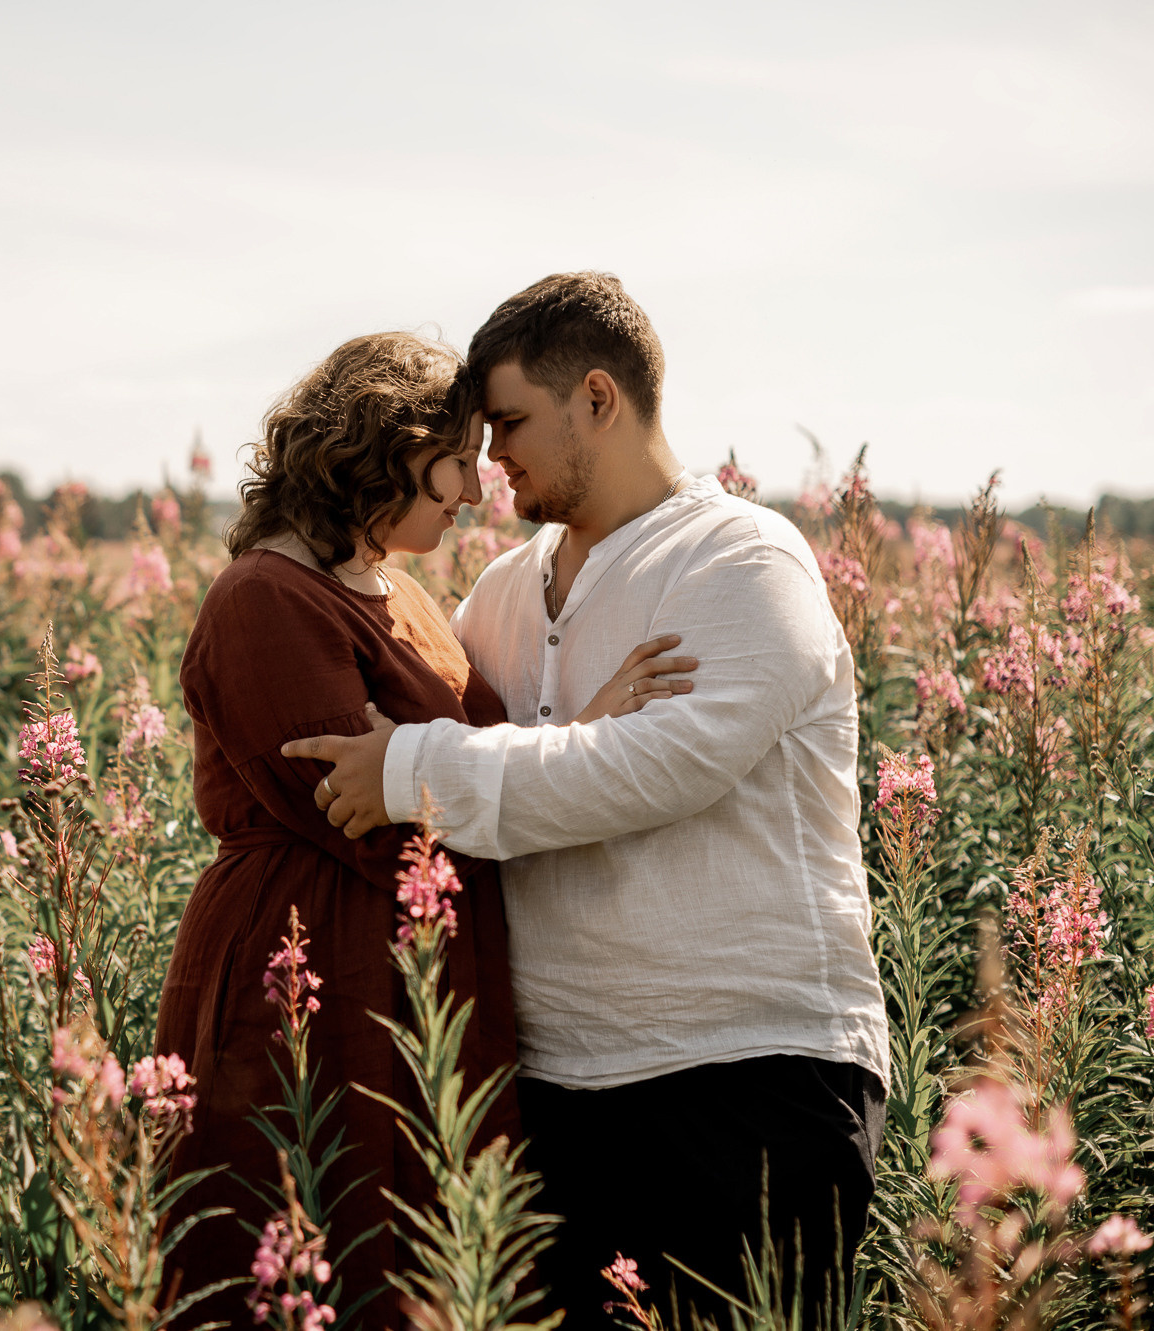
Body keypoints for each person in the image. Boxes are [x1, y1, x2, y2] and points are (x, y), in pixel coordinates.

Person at [282, 273, 891, 1328]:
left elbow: (651, 768)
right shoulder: (503, 594)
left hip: (745, 1079)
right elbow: (519, 764)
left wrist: (406, 772)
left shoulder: (742, 560)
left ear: (597, 399)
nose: (488, 461)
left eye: (508, 422)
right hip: (555, 1093)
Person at [155, 329, 693, 1328]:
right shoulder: (263, 597)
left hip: (415, 965)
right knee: (317, 1248)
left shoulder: (398, 592)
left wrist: (524, 751)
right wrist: (573, 744)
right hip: (307, 970)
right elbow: (362, 806)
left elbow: (439, 770)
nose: (474, 488)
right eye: (455, 456)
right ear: (384, 447)